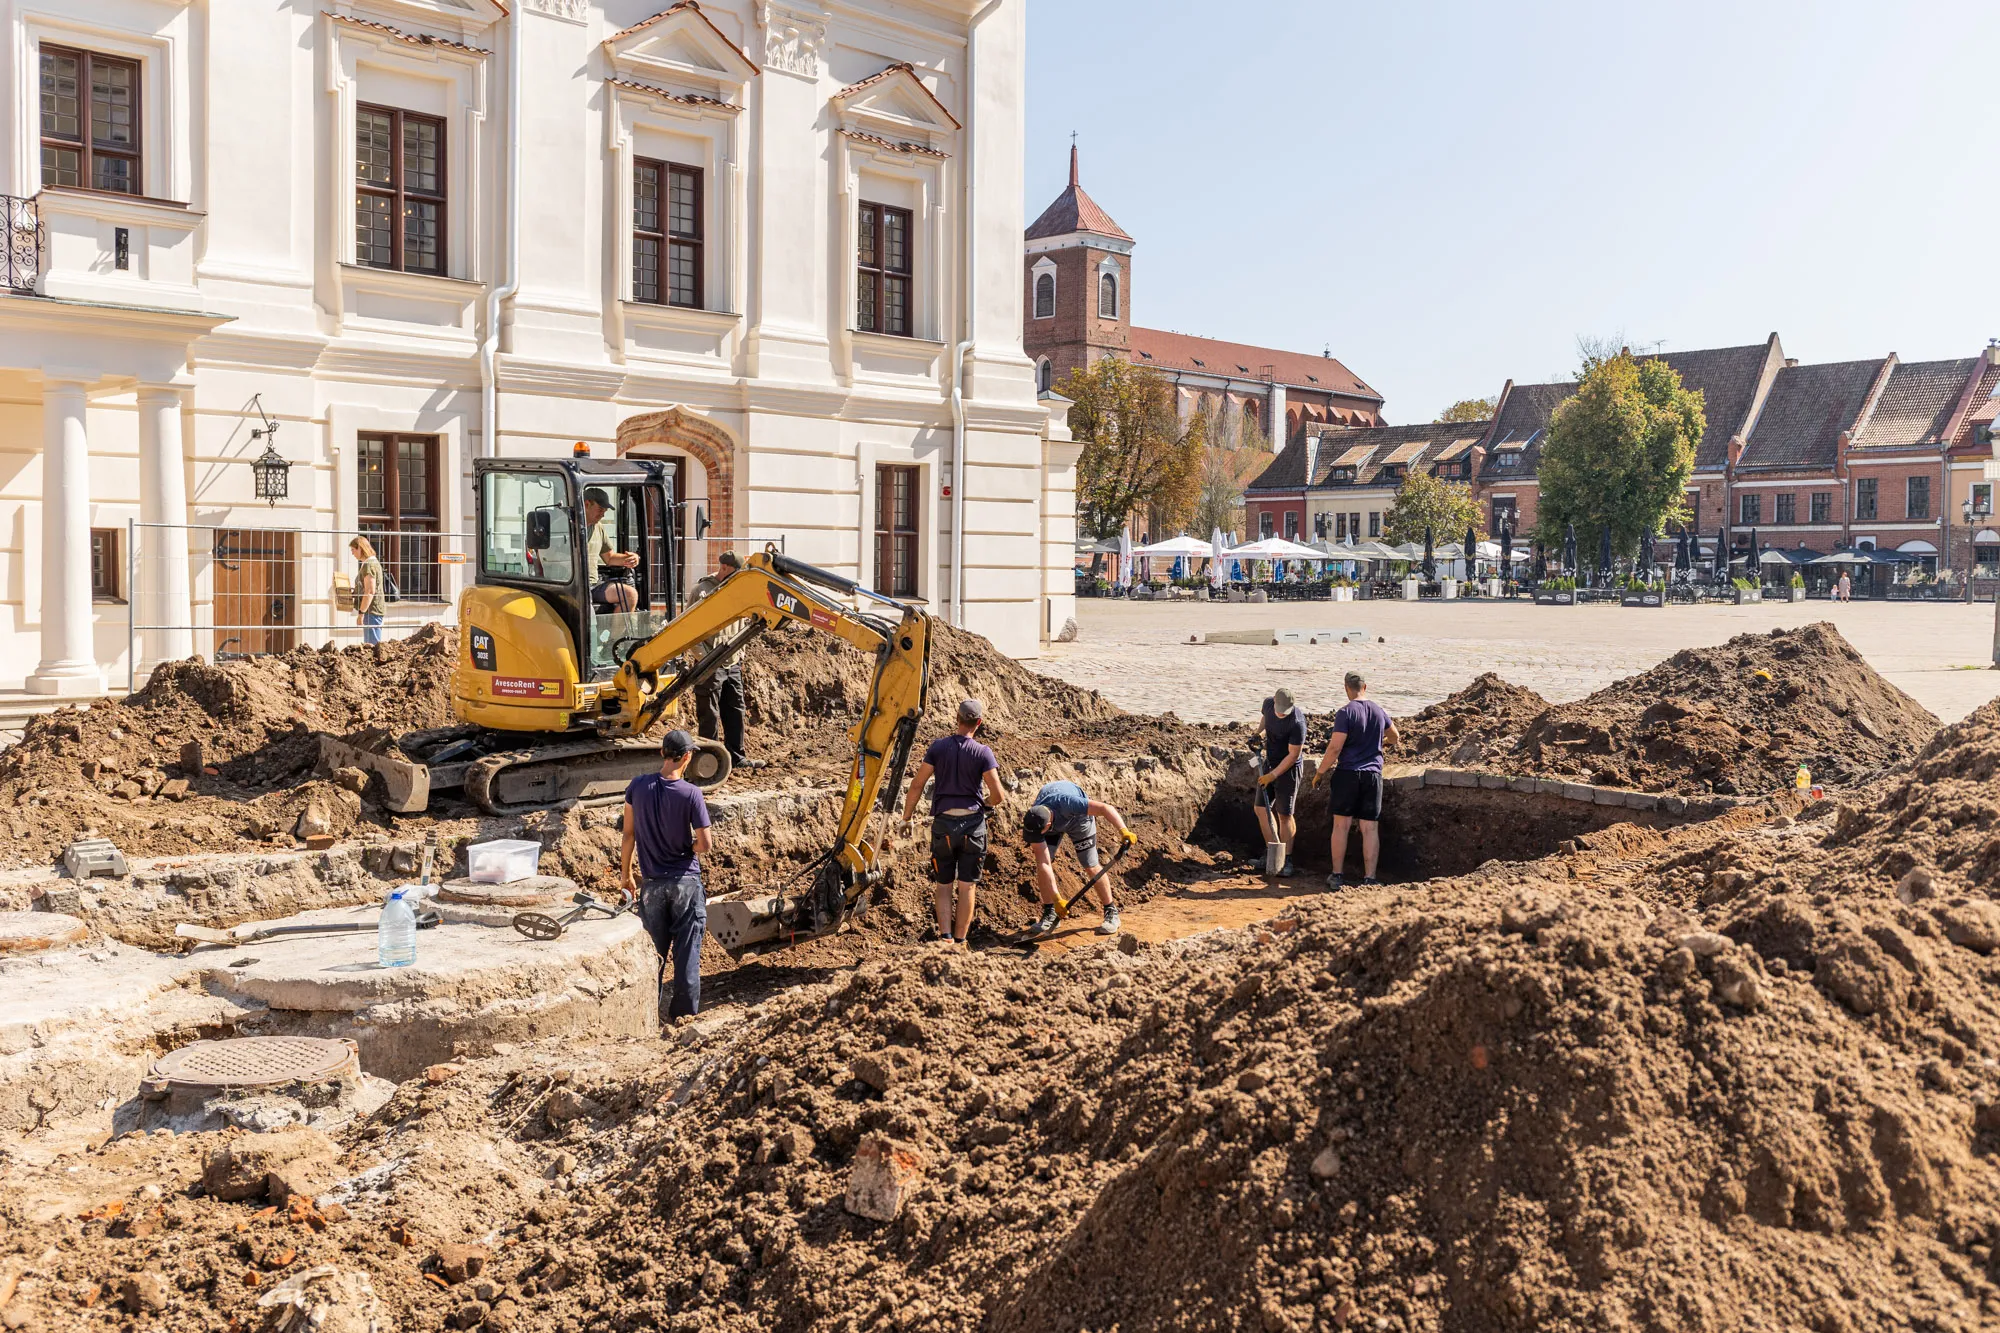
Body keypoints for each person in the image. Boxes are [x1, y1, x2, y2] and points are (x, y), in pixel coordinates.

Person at [890, 698, 1004, 946]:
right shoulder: (983, 753)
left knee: (943, 885)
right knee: (967, 887)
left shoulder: (938, 748)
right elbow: (998, 795)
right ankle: (961, 942)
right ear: (979, 723)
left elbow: (917, 784)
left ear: (957, 719)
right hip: (972, 827)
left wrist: (906, 818)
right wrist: (984, 805)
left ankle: (946, 939)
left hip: (944, 827)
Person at [620, 729, 713, 1020]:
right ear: (687, 757)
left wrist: (626, 876)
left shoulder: (637, 786)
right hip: (685, 883)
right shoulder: (691, 793)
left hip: (652, 886)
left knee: (653, 956)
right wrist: (689, 845)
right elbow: (705, 845)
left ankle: (647, 1015)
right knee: (686, 955)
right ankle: (683, 1017)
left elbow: (628, 835)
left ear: (662, 753)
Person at [1311, 670, 1399, 891]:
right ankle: (1369, 878)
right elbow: (1395, 737)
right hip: (1372, 775)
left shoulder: (1345, 712)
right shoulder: (1379, 711)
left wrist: (1320, 772)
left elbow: (1335, 747)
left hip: (1348, 773)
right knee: (1369, 828)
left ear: (1346, 688)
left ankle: (1337, 875)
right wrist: (1381, 746)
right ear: (1365, 687)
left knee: (1341, 826)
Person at [1022, 779, 1134, 936]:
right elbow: (1044, 863)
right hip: (1053, 822)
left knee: (1090, 864)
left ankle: (1111, 912)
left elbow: (1104, 808)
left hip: (1078, 820)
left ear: (1047, 826)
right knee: (1042, 864)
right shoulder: (1034, 820)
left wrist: (1124, 831)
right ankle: (1050, 913)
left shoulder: (1068, 803)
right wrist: (1056, 899)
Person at [694, 551, 756, 768]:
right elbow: (688, 630)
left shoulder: (737, 591)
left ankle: (736, 757)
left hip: (732, 663)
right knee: (709, 716)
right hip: (710, 664)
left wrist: (740, 654)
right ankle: (709, 762)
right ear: (725, 569)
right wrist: (704, 659)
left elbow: (744, 623)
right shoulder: (702, 591)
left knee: (735, 710)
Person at [1250, 686, 1305, 876]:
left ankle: (1287, 859)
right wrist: (1259, 734)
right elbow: (1266, 720)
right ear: (1273, 701)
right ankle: (1272, 852)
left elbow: (1292, 756)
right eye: (1278, 710)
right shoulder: (1267, 705)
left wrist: (1272, 776)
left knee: (1285, 815)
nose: (1281, 714)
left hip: (1288, 770)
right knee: (1260, 809)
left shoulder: (1297, 722)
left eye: (1285, 712)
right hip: (1270, 763)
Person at [584, 487, 640, 614]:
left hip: (593, 585)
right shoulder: (563, 526)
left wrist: (630, 559)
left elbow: (609, 558)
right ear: (587, 504)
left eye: (605, 511)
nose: (603, 514)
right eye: (600, 509)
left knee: (630, 595)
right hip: (570, 587)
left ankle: (615, 634)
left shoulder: (598, 527)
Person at [349, 536, 385, 646]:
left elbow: (370, 591)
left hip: (371, 611)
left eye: (353, 550)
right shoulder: (369, 563)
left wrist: (361, 614)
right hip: (371, 611)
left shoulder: (370, 564)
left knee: (372, 646)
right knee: (370, 645)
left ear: (360, 548)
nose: (352, 554)